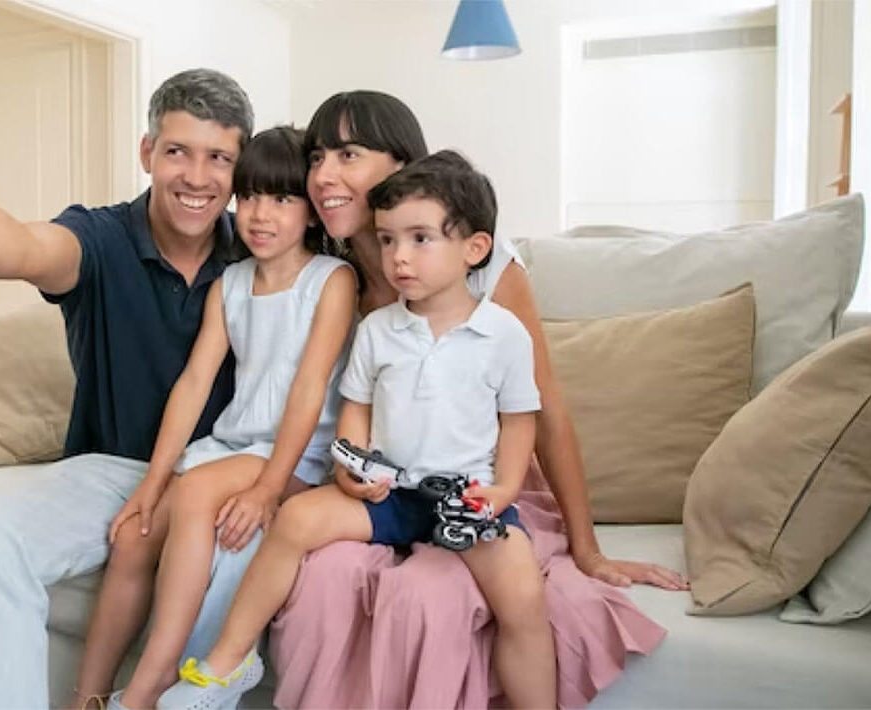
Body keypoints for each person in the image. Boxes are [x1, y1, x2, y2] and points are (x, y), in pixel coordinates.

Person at [0, 69, 276, 710]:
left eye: (220, 158)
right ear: (147, 152)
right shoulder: (100, 237)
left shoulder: (261, 251)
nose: (197, 177)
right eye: (178, 151)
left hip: (221, 477)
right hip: (111, 471)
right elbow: (20, 244)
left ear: (241, 167)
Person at [267, 91, 683, 708]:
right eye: (317, 158)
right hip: (385, 486)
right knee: (324, 576)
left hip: (473, 479)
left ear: (402, 165)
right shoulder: (327, 266)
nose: (324, 176)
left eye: (348, 155)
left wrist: (588, 548)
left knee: (445, 595)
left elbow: (541, 409)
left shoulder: (475, 265)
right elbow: (333, 401)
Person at [159, 150, 557, 710]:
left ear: (474, 248)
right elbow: (356, 410)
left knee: (522, 598)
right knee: (295, 519)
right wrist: (351, 466)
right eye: (388, 240)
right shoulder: (377, 329)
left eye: (420, 239)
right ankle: (228, 662)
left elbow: (518, 423)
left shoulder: (504, 334)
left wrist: (504, 490)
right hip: (390, 495)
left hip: (466, 500)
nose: (398, 257)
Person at [76, 126, 356, 710]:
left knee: (198, 490)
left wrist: (268, 489)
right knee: (134, 535)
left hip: (300, 457)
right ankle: (89, 698)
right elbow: (194, 382)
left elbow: (309, 391)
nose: (260, 214)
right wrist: (153, 482)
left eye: (281, 199)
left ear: (310, 210)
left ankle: (151, 685)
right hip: (233, 447)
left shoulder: (332, 280)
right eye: (248, 196)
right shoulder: (229, 284)